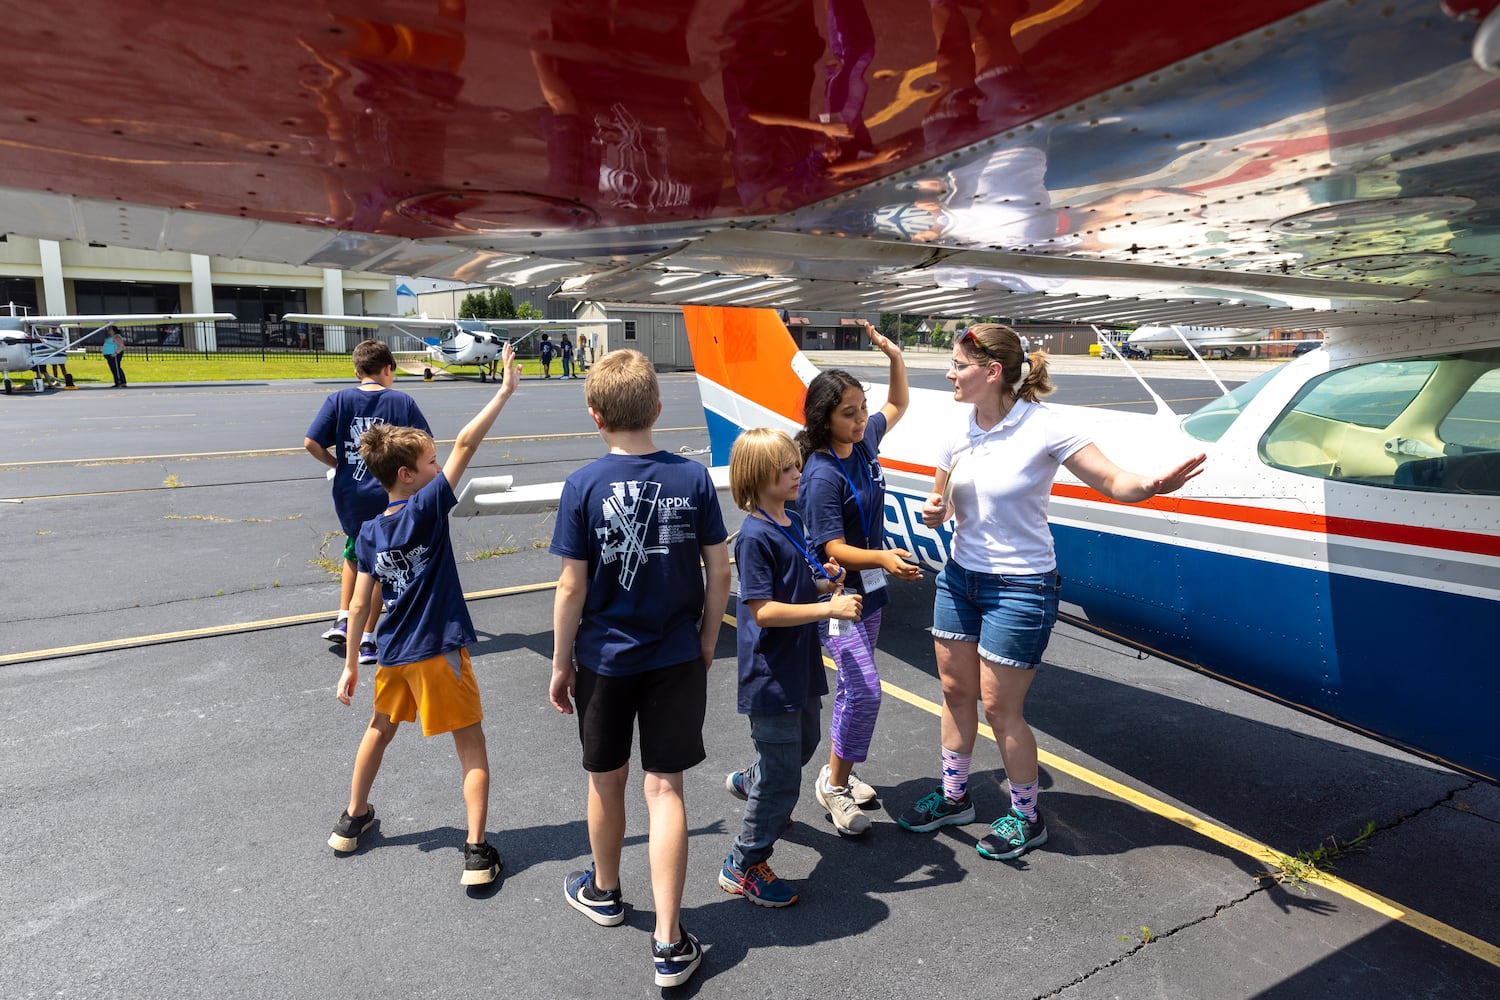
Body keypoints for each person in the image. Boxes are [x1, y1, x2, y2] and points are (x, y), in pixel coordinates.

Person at [898, 324, 1205, 860]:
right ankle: (954, 797)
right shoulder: (958, 428)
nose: (949, 372)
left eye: (958, 364)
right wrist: (936, 510)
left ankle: (1026, 816)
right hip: (959, 576)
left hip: (1020, 585)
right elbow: (939, 497)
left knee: (1000, 707)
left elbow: (1113, 481)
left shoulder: (1044, 427)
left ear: (991, 372)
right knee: (954, 691)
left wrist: (1153, 487)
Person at [548, 349, 731, 988]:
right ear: (658, 407)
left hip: (604, 657)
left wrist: (560, 662)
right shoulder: (694, 479)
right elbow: (720, 568)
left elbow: (572, 587)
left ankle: (603, 890)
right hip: (676, 654)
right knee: (665, 789)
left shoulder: (584, 485)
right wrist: (708, 638)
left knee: (607, 781)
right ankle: (669, 938)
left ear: (595, 415)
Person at [327, 342, 520, 886]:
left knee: (379, 729)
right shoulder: (430, 506)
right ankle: (477, 852)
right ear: (409, 474)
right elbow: (466, 442)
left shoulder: (368, 532)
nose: (441, 468)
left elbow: (361, 603)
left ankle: (351, 818)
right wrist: (503, 391)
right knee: (472, 746)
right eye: (431, 463)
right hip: (438, 650)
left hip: (391, 654)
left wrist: (349, 664)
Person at [720, 428, 861, 908]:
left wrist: (824, 585)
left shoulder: (791, 520)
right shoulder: (755, 536)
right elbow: (762, 610)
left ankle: (753, 779)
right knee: (785, 776)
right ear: (761, 478)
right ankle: (744, 863)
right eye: (787, 468)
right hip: (771, 674)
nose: (798, 473)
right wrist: (829, 610)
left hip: (798, 665)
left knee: (803, 745)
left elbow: (796, 586)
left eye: (795, 464)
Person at [796, 321, 921, 836]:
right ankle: (834, 784)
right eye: (849, 413)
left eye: (861, 409)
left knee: (853, 689)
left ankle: (838, 774)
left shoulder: (864, 441)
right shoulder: (821, 473)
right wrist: (883, 557)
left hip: (871, 594)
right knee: (865, 689)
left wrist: (895, 355)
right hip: (841, 596)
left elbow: (899, 403)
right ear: (825, 421)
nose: (862, 418)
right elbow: (832, 549)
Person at [304, 341, 432, 663]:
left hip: (351, 495)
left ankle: (344, 616)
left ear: (357, 371)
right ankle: (368, 636)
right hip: (386, 494)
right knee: (379, 563)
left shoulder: (339, 399)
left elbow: (311, 442)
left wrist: (337, 464)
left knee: (354, 551)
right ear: (388, 369)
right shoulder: (401, 402)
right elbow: (425, 443)